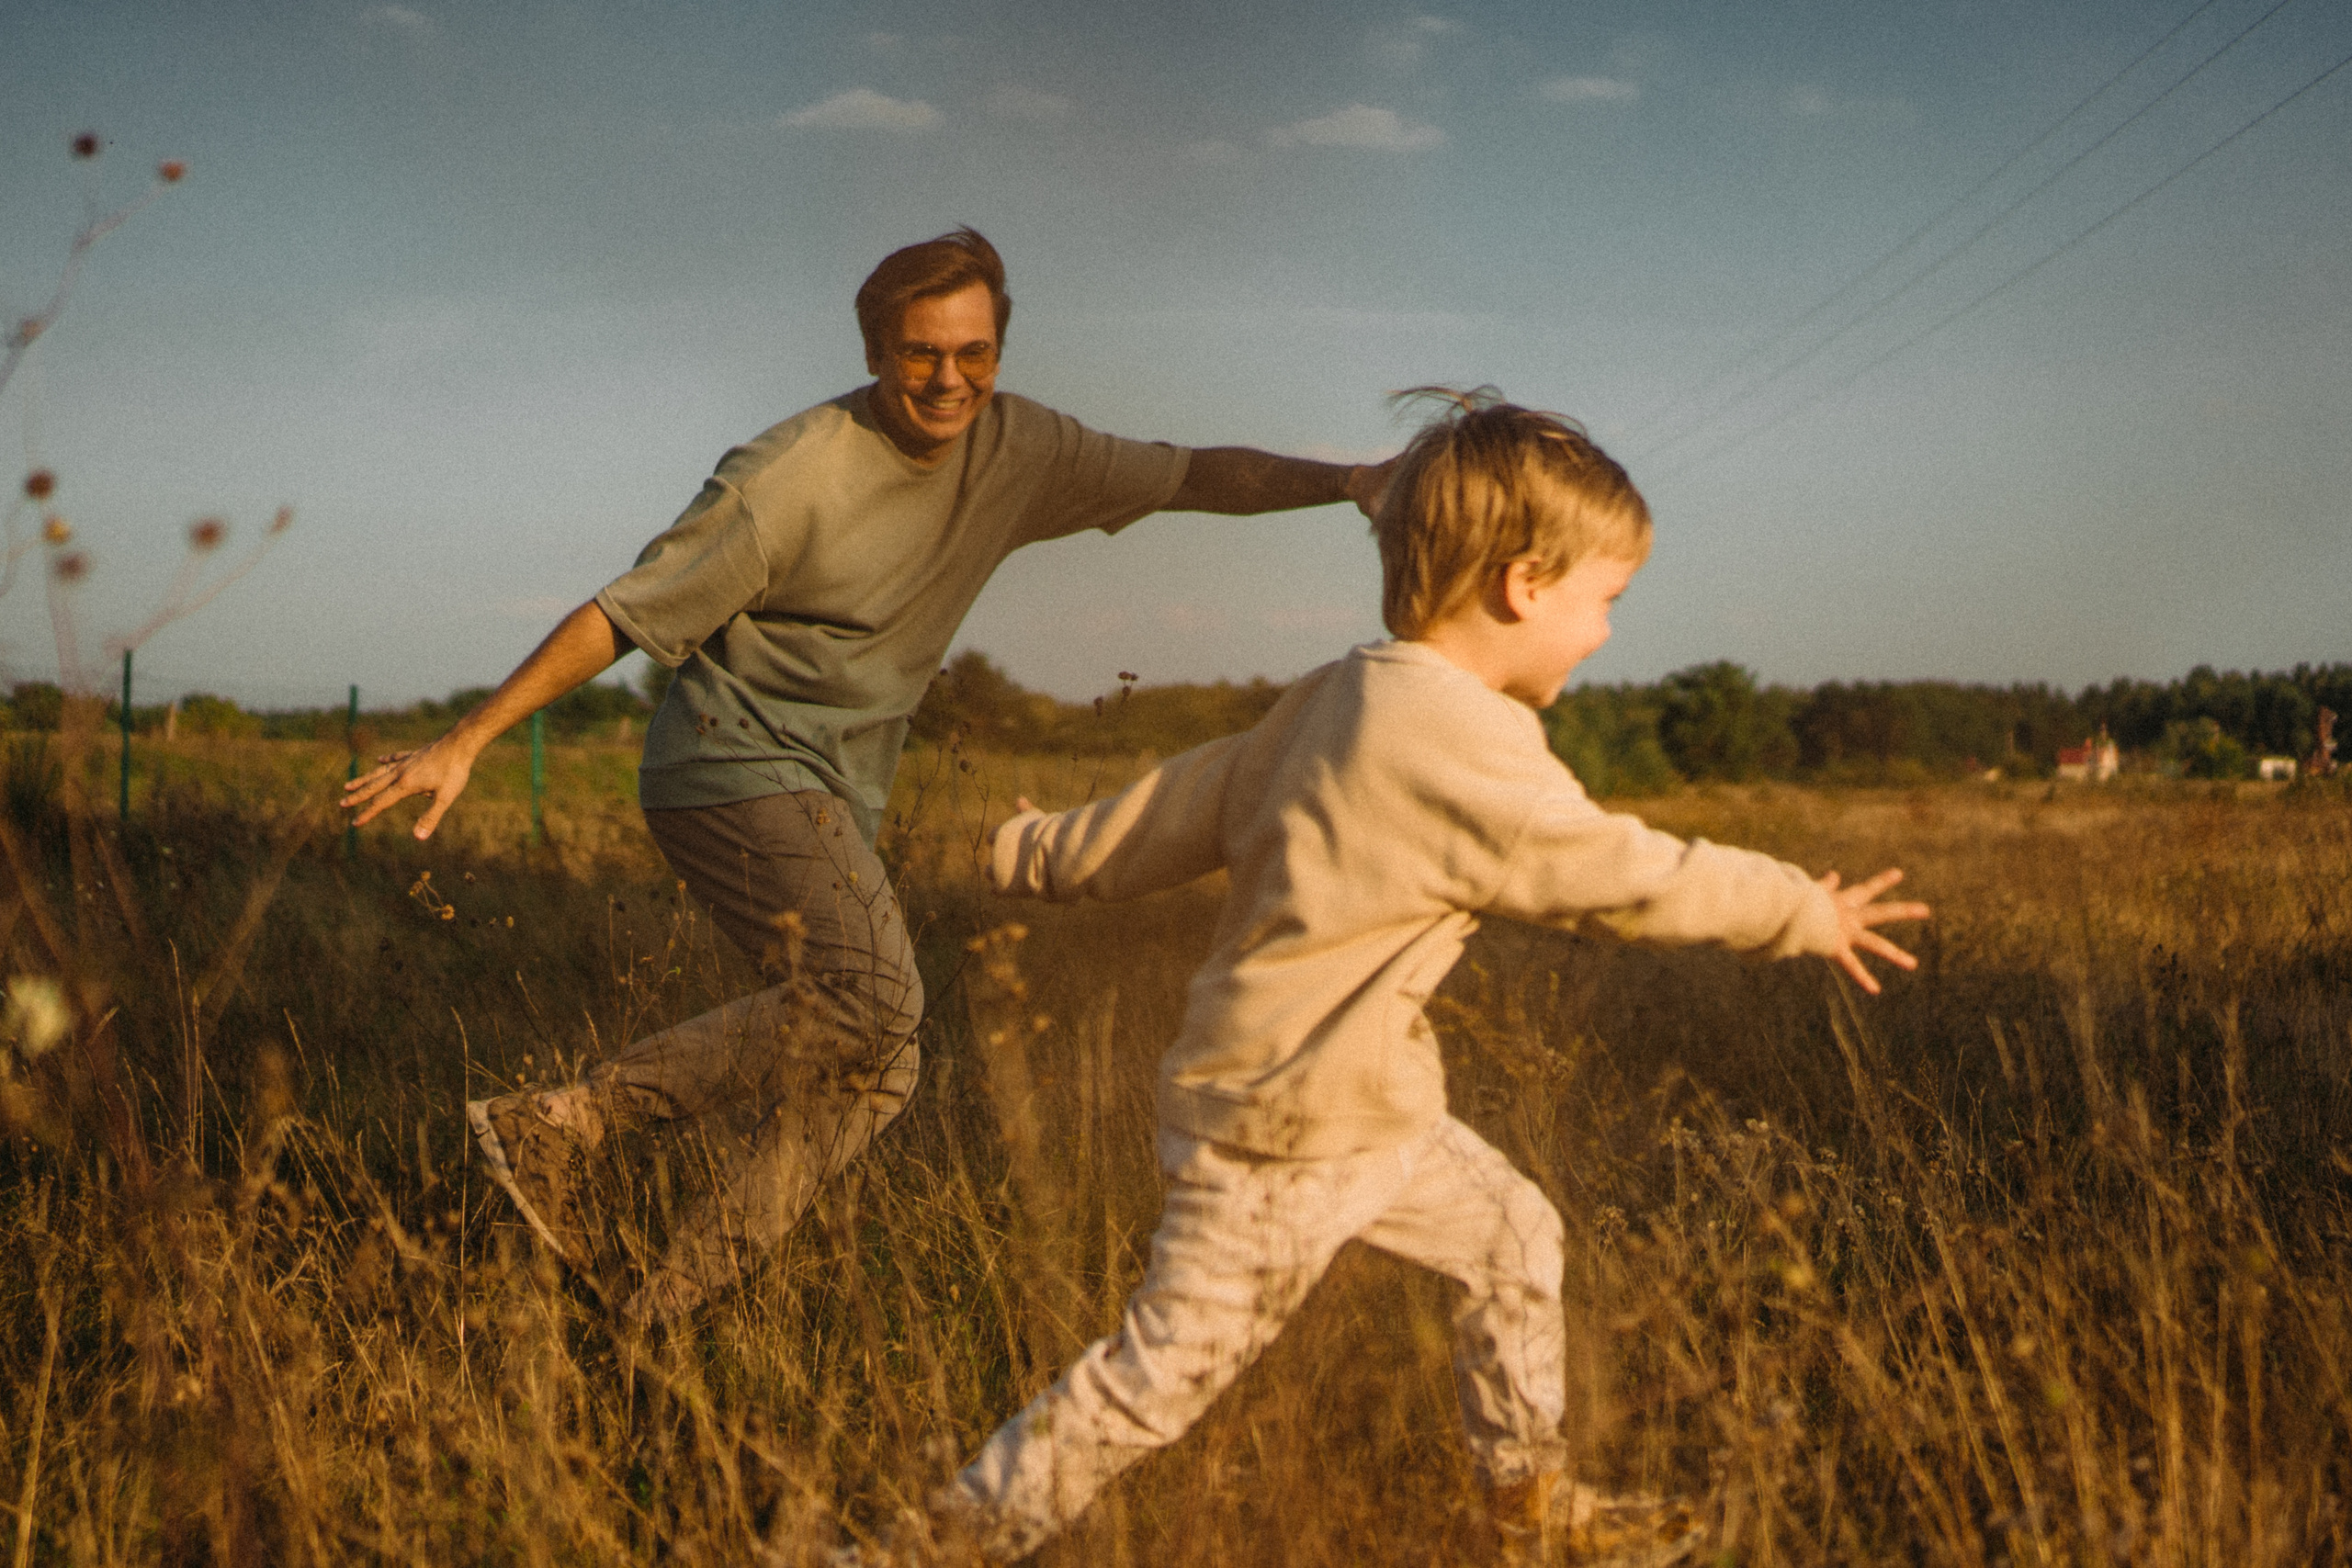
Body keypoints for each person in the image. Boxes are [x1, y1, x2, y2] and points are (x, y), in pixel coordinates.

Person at [845, 390, 1929, 1566]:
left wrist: (1030, 850)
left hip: (1371, 1117)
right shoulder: (1460, 743)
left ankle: (1529, 1509)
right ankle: (908, 1558)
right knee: (1149, 1385)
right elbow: (1623, 875)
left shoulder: (1336, 694)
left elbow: (1174, 807)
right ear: (1523, 583)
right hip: (1277, 1135)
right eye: (1603, 602)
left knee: (1515, 1236)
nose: (1607, 632)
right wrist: (1798, 910)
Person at [341, 228, 1392, 1324]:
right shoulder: (792, 475)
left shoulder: (1021, 448)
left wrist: (1354, 480)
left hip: (834, 785)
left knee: (876, 1070)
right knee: (877, 999)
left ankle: (659, 1312)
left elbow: (1193, 475)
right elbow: (621, 614)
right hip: (728, 762)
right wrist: (468, 739)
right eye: (920, 354)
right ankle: (562, 1125)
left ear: (999, 347)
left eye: (973, 352)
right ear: (877, 350)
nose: (949, 380)